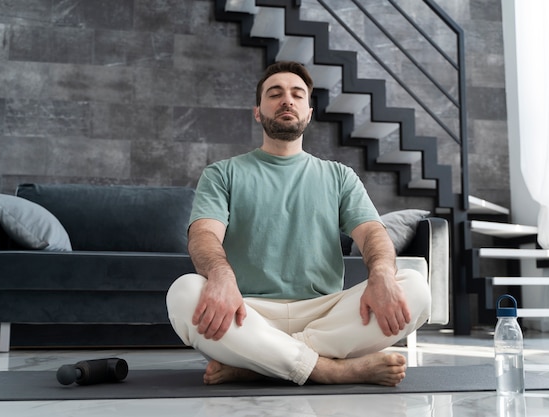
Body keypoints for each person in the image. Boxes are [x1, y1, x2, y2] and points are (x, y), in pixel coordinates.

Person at [166, 61, 431, 387]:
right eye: (274, 94)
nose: (287, 100)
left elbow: (372, 232)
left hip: (326, 314)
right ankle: (327, 369)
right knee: (183, 292)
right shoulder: (223, 173)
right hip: (247, 313)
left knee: (415, 286)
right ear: (257, 111)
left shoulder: (339, 176)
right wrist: (221, 275)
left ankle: (260, 364)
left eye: (297, 94)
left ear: (309, 111)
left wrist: (382, 275)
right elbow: (204, 233)